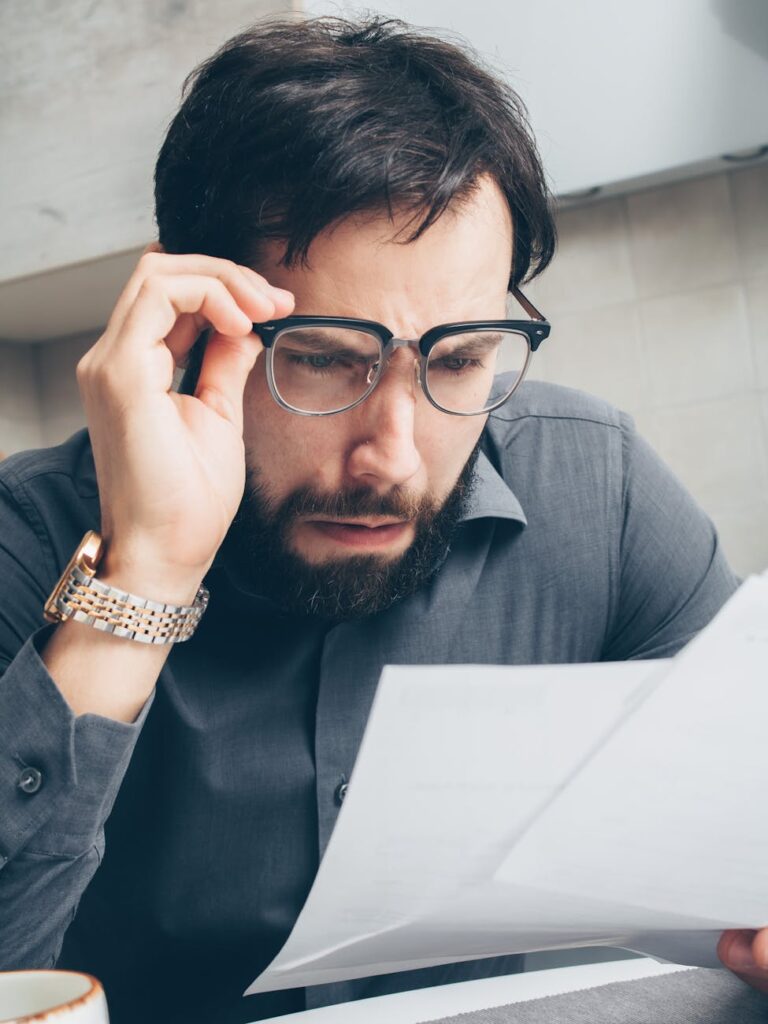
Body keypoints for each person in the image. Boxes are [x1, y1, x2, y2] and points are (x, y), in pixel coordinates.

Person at [0, 14, 764, 1024]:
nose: (394, 458)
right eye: (321, 356)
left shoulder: (598, 483)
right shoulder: (31, 538)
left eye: (457, 361)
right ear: (190, 323)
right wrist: (141, 578)